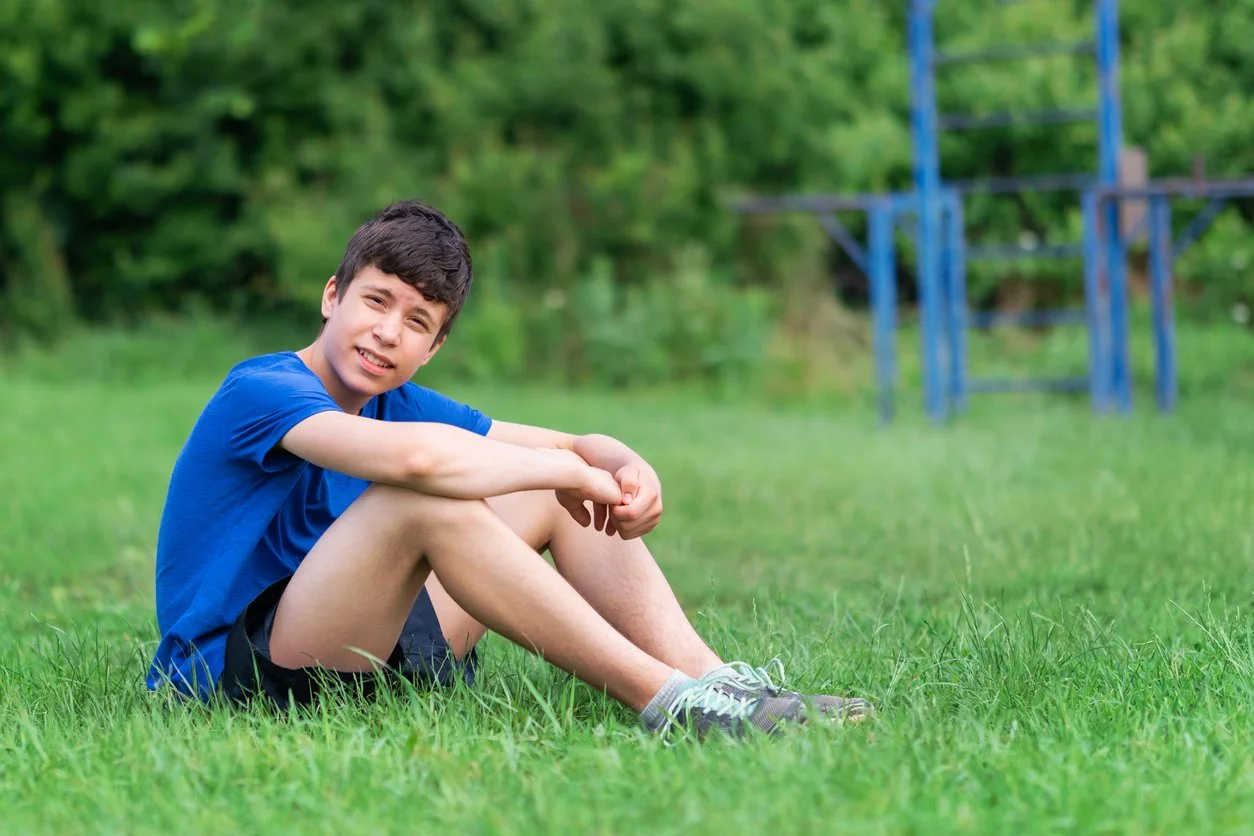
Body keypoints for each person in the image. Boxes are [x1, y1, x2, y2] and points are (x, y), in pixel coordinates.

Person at [146, 199, 874, 740]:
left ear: (432, 347)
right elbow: (422, 461)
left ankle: (718, 684)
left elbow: (566, 447)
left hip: (353, 650)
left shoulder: (397, 398)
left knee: (549, 485)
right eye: (375, 302)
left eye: (418, 322)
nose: (387, 333)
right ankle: (670, 702)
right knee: (424, 500)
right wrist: (568, 469)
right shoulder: (263, 390)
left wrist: (614, 457)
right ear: (333, 296)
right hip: (237, 677)